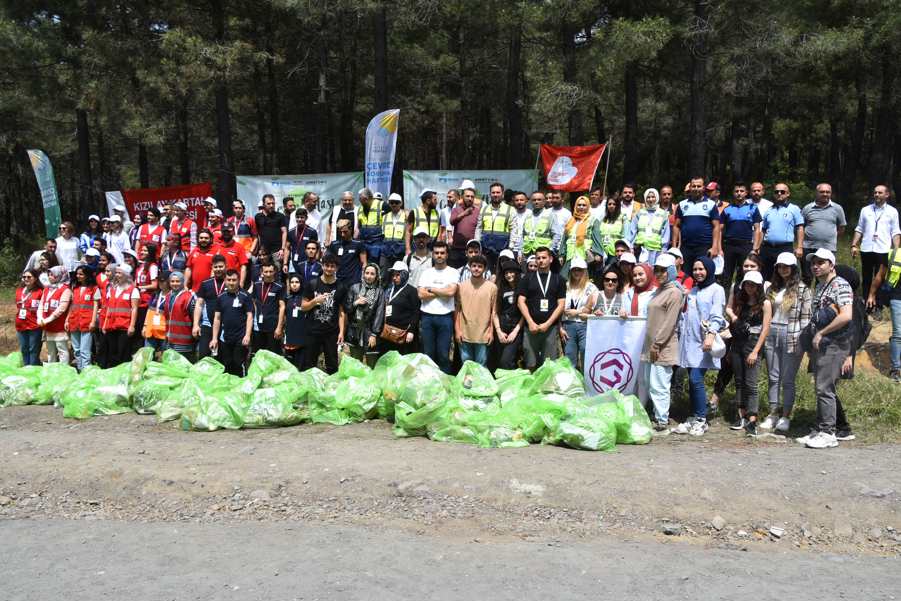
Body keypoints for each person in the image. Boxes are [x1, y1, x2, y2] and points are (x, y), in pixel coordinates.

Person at [796, 249, 853, 449]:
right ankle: (819, 429)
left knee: (825, 388)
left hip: (835, 343)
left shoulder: (840, 284)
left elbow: (846, 315)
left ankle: (829, 432)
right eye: (813, 263)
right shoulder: (820, 286)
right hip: (822, 344)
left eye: (821, 262)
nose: (815, 266)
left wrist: (822, 332)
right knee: (820, 387)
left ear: (831, 264)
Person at [672, 256, 726, 437]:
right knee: (692, 380)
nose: (698, 273)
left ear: (709, 270)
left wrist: (710, 336)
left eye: (701, 269)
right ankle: (695, 415)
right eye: (695, 269)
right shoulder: (693, 290)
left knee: (696, 379)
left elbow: (717, 315)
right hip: (690, 342)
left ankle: (702, 419)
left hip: (704, 343)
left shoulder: (717, 290)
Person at [760, 252, 811, 431]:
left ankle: (786, 416)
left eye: (786, 266)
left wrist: (804, 341)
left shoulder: (803, 289)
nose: (783, 270)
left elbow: (806, 318)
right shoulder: (771, 288)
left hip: (792, 333)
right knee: (773, 377)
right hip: (772, 331)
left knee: (787, 379)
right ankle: (773, 413)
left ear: (794, 268)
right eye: (780, 266)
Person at [710, 253, 765, 413]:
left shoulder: (764, 286)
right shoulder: (737, 285)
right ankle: (717, 400)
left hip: (756, 335)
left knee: (752, 375)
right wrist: (734, 318)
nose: (748, 268)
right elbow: (728, 307)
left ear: (759, 268)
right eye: (746, 265)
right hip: (736, 331)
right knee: (728, 366)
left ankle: (754, 411)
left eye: (752, 266)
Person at [641, 253, 684, 430]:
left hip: (662, 346)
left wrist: (657, 344)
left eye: (663, 271)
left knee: (660, 384)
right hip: (650, 345)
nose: (658, 274)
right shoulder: (658, 290)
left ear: (671, 271)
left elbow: (669, 322)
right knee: (649, 382)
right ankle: (655, 414)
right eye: (656, 270)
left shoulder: (674, 292)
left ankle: (662, 419)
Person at [725, 271, 772, 436]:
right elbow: (734, 320)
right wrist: (731, 349)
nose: (749, 288)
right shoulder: (742, 302)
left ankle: (753, 419)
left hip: (753, 343)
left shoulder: (765, 303)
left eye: (753, 285)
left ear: (759, 286)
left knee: (751, 384)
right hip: (738, 342)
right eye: (747, 284)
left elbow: (765, 329)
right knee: (739, 381)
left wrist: (756, 351)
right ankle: (741, 415)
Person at [517, 246, 566, 370]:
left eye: (544, 257)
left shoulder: (559, 279)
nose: (541, 260)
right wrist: (530, 322)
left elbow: (561, 304)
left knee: (549, 365)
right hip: (530, 328)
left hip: (550, 329)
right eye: (538, 258)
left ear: (550, 259)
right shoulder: (527, 279)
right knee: (530, 363)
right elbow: (520, 302)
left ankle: (546, 389)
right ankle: (531, 388)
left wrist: (548, 324)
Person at [851, 184, 900, 303]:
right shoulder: (865, 210)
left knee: (880, 277)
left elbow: (895, 231)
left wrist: (896, 250)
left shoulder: (892, 211)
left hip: (883, 249)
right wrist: (854, 245)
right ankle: (866, 303)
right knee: (866, 277)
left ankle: (877, 304)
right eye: (875, 192)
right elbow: (859, 228)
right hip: (866, 248)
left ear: (887, 195)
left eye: (880, 192)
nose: (877, 195)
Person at [416, 241, 458, 373]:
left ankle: (444, 384)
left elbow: (451, 292)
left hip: (445, 318)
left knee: (443, 355)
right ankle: (429, 382)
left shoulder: (453, 272)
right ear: (432, 255)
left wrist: (431, 289)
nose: (439, 255)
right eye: (436, 253)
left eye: (442, 253)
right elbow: (421, 294)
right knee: (428, 354)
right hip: (427, 317)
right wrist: (442, 291)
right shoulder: (426, 273)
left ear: (447, 255)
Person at [302, 253, 346, 373]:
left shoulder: (341, 287)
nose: (329, 269)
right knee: (309, 365)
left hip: (331, 332)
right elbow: (303, 307)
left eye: (332, 266)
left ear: (336, 268)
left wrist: (341, 332)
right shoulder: (312, 284)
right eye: (327, 265)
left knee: (332, 366)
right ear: (322, 266)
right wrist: (315, 301)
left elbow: (342, 312)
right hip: (313, 330)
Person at [755, 182, 804, 281]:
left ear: (788, 194)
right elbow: (763, 230)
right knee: (765, 275)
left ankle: (786, 295)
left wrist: (799, 247)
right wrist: (758, 247)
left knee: (785, 275)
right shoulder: (769, 210)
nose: (779, 194)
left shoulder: (794, 209)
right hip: (767, 248)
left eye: (782, 191)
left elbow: (800, 228)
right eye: (777, 191)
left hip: (784, 247)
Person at [454, 254, 497, 367]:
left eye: (480, 266)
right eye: (474, 266)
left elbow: (494, 312)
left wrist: (491, 332)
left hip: (483, 335)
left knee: (481, 367)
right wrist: (457, 330)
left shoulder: (492, 288)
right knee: (467, 366)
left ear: (484, 269)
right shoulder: (461, 286)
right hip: (465, 333)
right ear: (470, 267)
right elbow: (457, 310)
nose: (476, 269)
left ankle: (480, 385)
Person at [673, 176, 722, 273]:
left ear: (703, 188)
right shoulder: (682, 205)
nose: (696, 189)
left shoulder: (711, 204)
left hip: (704, 247)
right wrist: (674, 247)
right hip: (686, 247)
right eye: (693, 186)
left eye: (698, 186)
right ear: (690, 188)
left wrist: (715, 246)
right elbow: (676, 226)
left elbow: (716, 227)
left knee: (702, 273)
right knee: (685, 274)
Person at [370, 261, 420, 355]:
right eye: (393, 275)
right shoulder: (389, 289)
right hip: (387, 332)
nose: (394, 278)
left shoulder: (412, 291)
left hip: (402, 334)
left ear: (404, 275)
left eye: (398, 275)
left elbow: (416, 312)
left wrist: (411, 331)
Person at [210, 269, 254, 376]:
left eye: (234, 280)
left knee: (239, 364)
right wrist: (214, 338)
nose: (231, 282)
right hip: (225, 338)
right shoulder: (221, 297)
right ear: (225, 281)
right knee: (227, 364)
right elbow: (217, 318)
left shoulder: (245, 296)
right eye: (229, 280)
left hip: (241, 338)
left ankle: (241, 388)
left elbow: (250, 316)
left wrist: (247, 335)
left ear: (239, 280)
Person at [800, 183, 846, 283]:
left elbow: (842, 227)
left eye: (827, 192)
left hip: (828, 248)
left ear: (831, 193)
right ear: (816, 193)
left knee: (825, 275)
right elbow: (801, 227)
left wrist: (831, 237)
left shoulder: (837, 208)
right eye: (822, 192)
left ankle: (822, 296)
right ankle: (805, 297)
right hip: (808, 247)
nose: (825, 194)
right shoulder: (808, 208)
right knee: (807, 276)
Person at [719, 182, 762, 287]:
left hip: (746, 245)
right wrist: (720, 249)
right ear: (733, 193)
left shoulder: (753, 208)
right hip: (729, 246)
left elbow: (757, 229)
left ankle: (741, 299)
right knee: (726, 274)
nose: (739, 193)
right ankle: (725, 298)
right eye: (736, 191)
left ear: (746, 193)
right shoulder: (727, 209)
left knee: (744, 274)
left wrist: (755, 248)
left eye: (741, 191)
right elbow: (719, 230)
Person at [559, 257, 597, 370]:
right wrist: (560, 327)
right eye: (574, 269)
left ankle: (587, 382)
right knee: (569, 357)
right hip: (567, 325)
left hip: (585, 326)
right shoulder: (565, 286)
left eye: (580, 270)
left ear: (585, 271)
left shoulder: (591, 288)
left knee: (586, 355)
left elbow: (592, 309)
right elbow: (559, 308)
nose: (577, 272)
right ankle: (573, 384)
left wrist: (577, 312)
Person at [870, 246, 901, 382]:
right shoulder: (893, 254)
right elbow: (880, 275)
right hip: (897, 298)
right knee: (898, 333)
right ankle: (895, 370)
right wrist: (871, 294)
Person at [101, 264, 140, 367]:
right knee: (112, 353)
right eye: (116, 273)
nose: (117, 275)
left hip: (124, 326)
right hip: (111, 326)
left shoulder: (133, 290)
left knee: (123, 354)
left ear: (126, 275)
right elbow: (109, 308)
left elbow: (134, 308)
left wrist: (132, 326)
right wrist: (105, 324)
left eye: (119, 273)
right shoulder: (113, 289)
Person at [344, 264, 382, 366]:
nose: (369, 276)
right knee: (356, 364)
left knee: (371, 365)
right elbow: (347, 308)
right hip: (354, 330)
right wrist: (356, 302)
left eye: (372, 274)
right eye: (367, 273)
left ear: (377, 276)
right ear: (363, 274)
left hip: (369, 331)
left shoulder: (379, 292)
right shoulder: (354, 288)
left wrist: (374, 334)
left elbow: (379, 314)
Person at [193, 255, 227, 360]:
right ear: (212, 267)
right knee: (204, 356)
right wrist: (195, 325)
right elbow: (199, 305)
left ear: (226, 266)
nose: (218, 269)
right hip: (208, 325)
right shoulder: (205, 284)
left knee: (222, 358)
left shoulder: (231, 283)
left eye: (221, 266)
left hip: (225, 326)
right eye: (216, 267)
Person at [65, 265, 99, 371]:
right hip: (74, 321)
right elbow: (72, 305)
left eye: (81, 274)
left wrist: (93, 321)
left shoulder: (94, 289)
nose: (78, 276)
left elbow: (96, 306)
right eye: (77, 274)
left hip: (86, 321)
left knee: (85, 350)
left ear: (87, 275)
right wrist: (67, 319)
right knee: (76, 350)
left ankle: (86, 371)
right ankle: (80, 370)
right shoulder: (75, 288)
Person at [37, 266, 72, 364]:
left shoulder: (66, 290)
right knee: (50, 350)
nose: (50, 276)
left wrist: (48, 319)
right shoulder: (47, 288)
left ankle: (64, 370)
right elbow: (41, 304)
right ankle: (52, 370)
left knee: (62, 350)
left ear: (60, 275)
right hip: (48, 325)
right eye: (49, 274)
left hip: (59, 325)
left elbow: (62, 308)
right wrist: (40, 317)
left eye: (52, 274)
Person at [493, 259, 524, 369]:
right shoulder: (500, 289)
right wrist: (499, 331)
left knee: (506, 360)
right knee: (498, 361)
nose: (509, 275)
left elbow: (524, 314)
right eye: (506, 273)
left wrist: (515, 332)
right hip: (501, 326)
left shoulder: (522, 289)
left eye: (511, 272)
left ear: (516, 273)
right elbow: (495, 312)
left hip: (515, 327)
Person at [250, 263, 285, 356]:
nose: (268, 274)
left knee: (274, 354)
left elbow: (282, 307)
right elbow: (253, 302)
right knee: (258, 354)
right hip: (258, 325)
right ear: (262, 273)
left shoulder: (279, 286)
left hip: (273, 326)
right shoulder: (257, 285)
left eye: (270, 271)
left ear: (274, 272)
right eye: (266, 272)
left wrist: (279, 327)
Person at [475, 182, 513, 269]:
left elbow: (514, 230)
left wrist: (511, 247)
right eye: (493, 192)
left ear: (502, 194)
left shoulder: (510, 209)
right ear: (490, 194)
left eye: (498, 192)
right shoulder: (484, 209)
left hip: (503, 249)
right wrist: (477, 243)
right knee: (486, 273)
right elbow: (479, 228)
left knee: (501, 274)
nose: (495, 195)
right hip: (486, 249)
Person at [559, 195, 598, 279]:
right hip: (570, 254)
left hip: (584, 255)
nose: (581, 207)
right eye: (579, 205)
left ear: (588, 206)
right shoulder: (571, 221)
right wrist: (561, 254)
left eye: (584, 205)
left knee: (582, 280)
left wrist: (598, 253)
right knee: (565, 278)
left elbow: (597, 238)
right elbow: (565, 238)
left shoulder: (593, 220)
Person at [629, 188, 670, 265]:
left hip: (656, 250)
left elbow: (666, 234)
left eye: (653, 197)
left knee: (653, 272)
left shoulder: (663, 214)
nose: (650, 199)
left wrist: (663, 250)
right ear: (645, 199)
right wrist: (631, 246)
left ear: (657, 198)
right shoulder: (640, 213)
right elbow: (632, 230)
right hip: (640, 248)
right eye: (648, 197)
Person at [15, 269, 44, 366]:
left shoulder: (40, 292)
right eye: (24, 277)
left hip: (34, 324)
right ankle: (26, 367)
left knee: (33, 349)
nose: (26, 279)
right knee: (24, 348)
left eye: (29, 277)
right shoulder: (19, 291)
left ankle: (33, 368)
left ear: (35, 278)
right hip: (21, 323)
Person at [449, 185, 481, 268]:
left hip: (471, 250)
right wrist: (464, 214)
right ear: (462, 197)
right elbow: (452, 221)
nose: (470, 198)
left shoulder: (478, 211)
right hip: (456, 248)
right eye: (467, 196)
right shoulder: (456, 209)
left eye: (472, 197)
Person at [327, 218, 367, 286]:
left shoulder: (358, 244)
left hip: (354, 281)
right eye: (340, 232)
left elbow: (364, 263)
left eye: (345, 232)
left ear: (350, 229)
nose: (342, 234)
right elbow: (329, 262)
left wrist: (363, 279)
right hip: (338, 280)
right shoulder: (334, 244)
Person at [254, 194, 288, 272]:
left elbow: (284, 232)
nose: (271, 205)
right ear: (263, 204)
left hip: (277, 251)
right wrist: (258, 249)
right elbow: (257, 234)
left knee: (277, 273)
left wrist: (282, 249)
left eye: (273, 203)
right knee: (265, 272)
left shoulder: (280, 216)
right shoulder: (258, 217)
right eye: (268, 203)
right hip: (264, 252)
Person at [518, 191, 553, 262]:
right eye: (534, 200)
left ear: (544, 201)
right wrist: (520, 251)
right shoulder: (528, 216)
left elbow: (556, 235)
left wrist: (551, 251)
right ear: (531, 202)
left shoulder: (550, 215)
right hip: (527, 252)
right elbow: (523, 235)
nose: (536, 202)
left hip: (543, 253)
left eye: (539, 200)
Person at [282, 274, 307, 370]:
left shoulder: (305, 298)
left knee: (300, 367)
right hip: (289, 334)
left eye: (297, 282)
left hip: (301, 335)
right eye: (292, 282)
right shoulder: (287, 298)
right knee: (289, 366)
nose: (294, 284)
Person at [406, 189, 443, 254]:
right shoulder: (414, 212)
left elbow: (439, 231)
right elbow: (408, 231)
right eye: (435, 200)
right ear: (428, 201)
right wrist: (408, 249)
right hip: (417, 247)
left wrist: (438, 246)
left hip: (432, 248)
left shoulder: (436, 213)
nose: (437, 202)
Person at [379, 193, 408, 276]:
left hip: (400, 250)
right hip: (386, 250)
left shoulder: (406, 216)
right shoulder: (384, 216)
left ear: (401, 203)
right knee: (383, 274)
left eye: (396, 202)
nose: (394, 204)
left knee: (399, 275)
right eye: (391, 202)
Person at [596, 197, 629, 265]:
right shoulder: (603, 219)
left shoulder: (623, 218)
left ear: (618, 206)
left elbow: (626, 236)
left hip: (615, 252)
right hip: (602, 251)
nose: (611, 206)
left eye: (614, 204)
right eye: (609, 204)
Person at [215, 222, 250, 286]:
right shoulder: (217, 247)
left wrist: (241, 283)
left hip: (233, 282)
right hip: (219, 282)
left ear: (233, 232)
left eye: (229, 231)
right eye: (224, 231)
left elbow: (243, 267)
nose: (226, 233)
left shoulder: (239, 247)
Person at [356, 188, 384, 266]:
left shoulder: (382, 205)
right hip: (363, 241)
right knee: (363, 264)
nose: (360, 202)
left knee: (374, 264)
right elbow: (358, 226)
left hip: (376, 241)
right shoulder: (360, 208)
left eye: (360, 200)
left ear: (366, 199)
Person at [142, 277, 169, 358]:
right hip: (151, 330)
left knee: (164, 357)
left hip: (164, 331)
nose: (160, 283)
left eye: (163, 281)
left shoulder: (172, 296)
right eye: (159, 281)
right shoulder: (155, 294)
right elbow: (149, 310)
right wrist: (145, 325)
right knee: (147, 356)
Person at [547, 191, 572, 257]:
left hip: (561, 246)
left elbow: (569, 231)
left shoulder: (567, 213)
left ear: (562, 199)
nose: (554, 200)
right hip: (548, 246)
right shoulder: (547, 212)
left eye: (557, 198)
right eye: (553, 198)